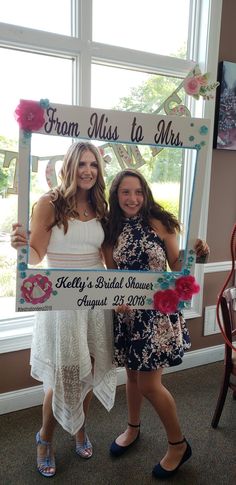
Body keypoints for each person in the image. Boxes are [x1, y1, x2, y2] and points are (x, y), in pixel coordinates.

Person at [11, 141, 116, 478]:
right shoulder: (49, 204)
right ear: (69, 166)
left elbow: (108, 259)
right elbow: (37, 254)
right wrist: (22, 244)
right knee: (62, 374)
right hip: (62, 302)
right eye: (82, 164)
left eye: (94, 165)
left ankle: (80, 428)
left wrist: (123, 291)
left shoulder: (101, 205)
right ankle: (45, 438)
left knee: (89, 368)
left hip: (95, 300)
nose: (88, 170)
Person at [104, 168, 210, 480]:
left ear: (145, 192)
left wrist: (196, 256)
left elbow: (177, 265)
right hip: (128, 315)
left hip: (156, 314)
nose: (132, 198)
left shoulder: (161, 222)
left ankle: (179, 444)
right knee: (133, 376)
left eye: (138, 191)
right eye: (125, 192)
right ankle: (133, 427)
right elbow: (112, 274)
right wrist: (117, 297)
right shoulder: (110, 229)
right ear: (117, 195)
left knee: (150, 384)